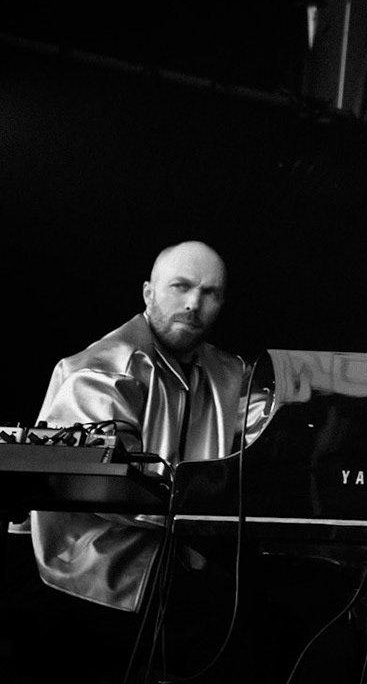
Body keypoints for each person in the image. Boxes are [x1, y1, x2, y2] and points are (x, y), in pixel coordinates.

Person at [21, 241, 269, 680]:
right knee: (237, 618)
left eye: (210, 293)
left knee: (282, 594)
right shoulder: (101, 371)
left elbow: (268, 427)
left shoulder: (228, 371)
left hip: (180, 544)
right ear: (148, 292)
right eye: (181, 286)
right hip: (99, 553)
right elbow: (110, 489)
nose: (194, 304)